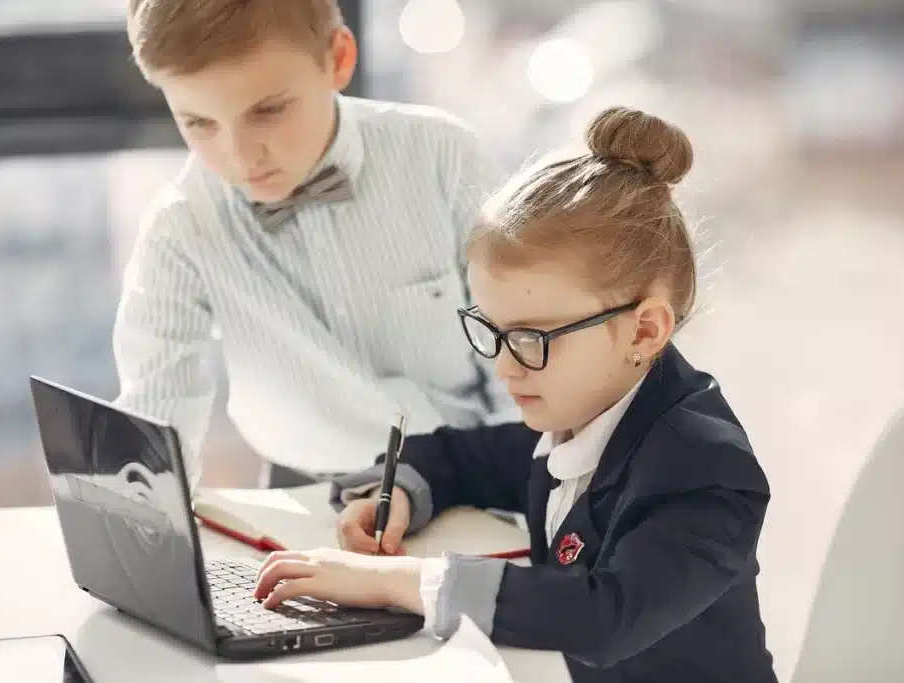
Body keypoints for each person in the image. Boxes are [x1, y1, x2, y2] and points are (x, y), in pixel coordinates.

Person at [252, 107, 778, 682]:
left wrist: (392, 584)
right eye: (493, 332)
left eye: (529, 338)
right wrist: (397, 494)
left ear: (644, 330)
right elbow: (461, 458)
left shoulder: (706, 467)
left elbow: (603, 615)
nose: (504, 366)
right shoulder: (585, 414)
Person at [116, 0, 514, 489]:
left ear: (339, 59)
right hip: (301, 499)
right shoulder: (179, 228)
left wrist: (518, 507)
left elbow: (522, 359)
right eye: (199, 123)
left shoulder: (446, 160)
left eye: (268, 110)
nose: (240, 158)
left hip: (472, 477)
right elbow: (156, 418)